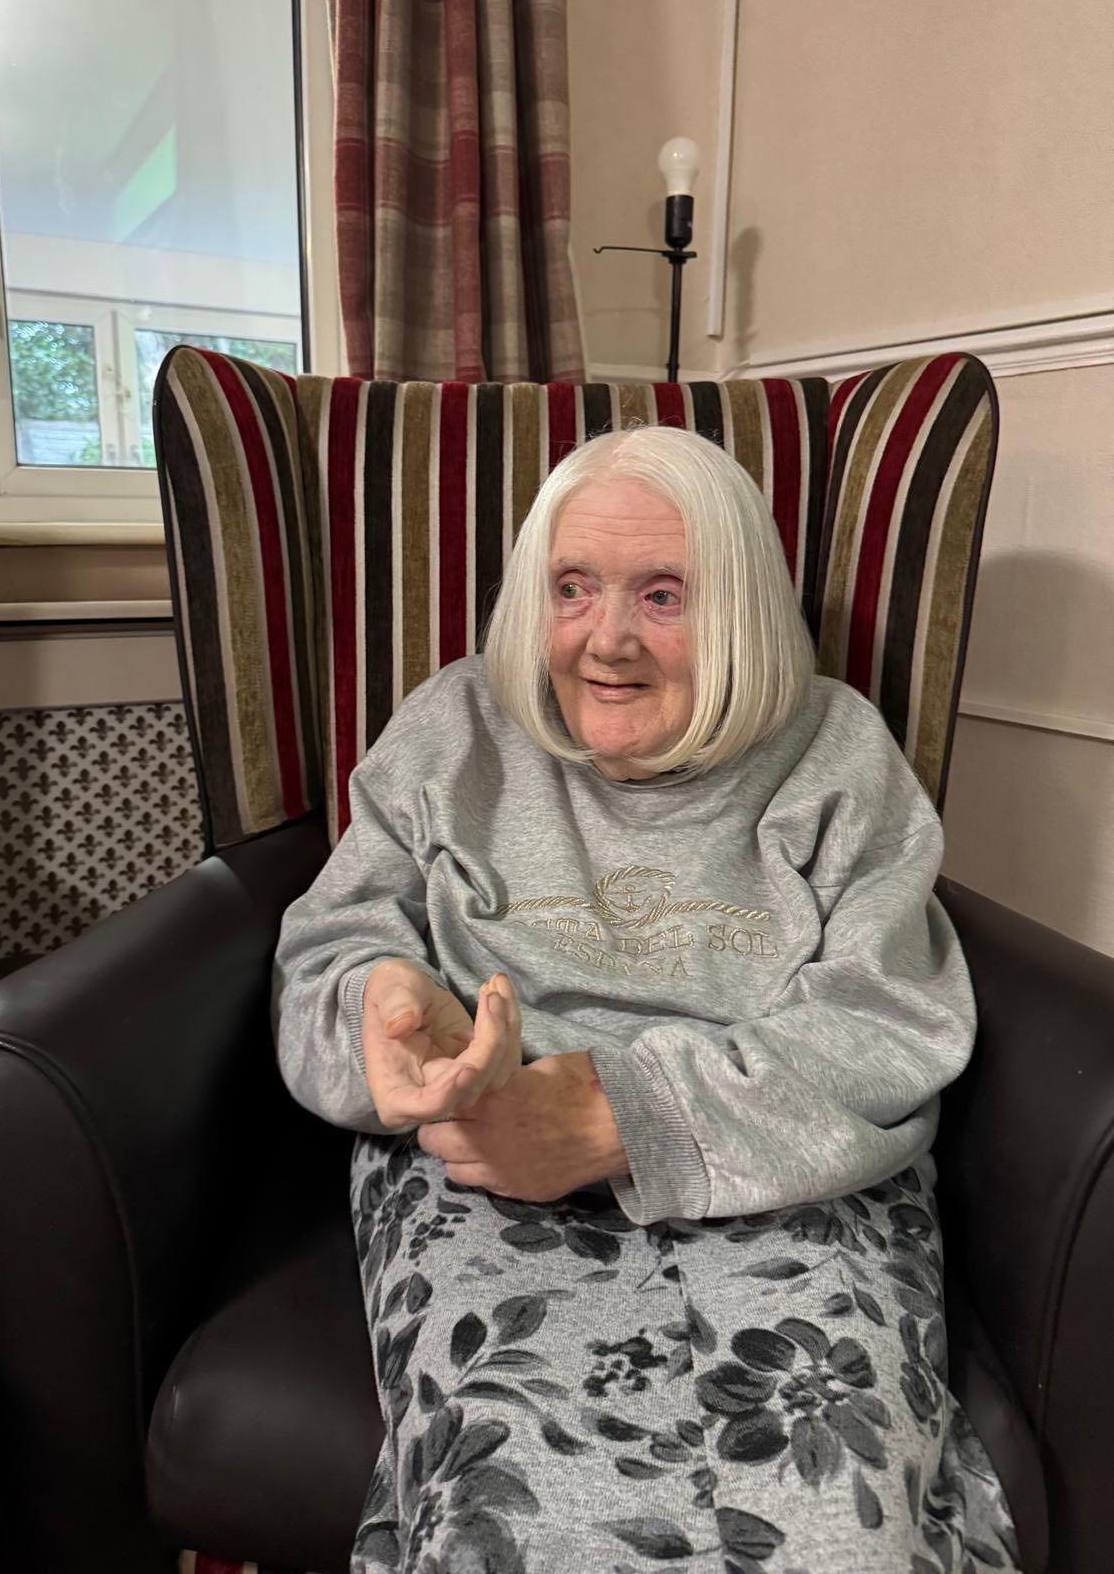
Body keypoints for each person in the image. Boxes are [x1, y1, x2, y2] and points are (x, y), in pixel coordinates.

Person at [273, 426, 1020, 1573]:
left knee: (842, 1511)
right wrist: (379, 1006)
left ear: (740, 610)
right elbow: (332, 946)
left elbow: (888, 1021)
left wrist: (627, 1113)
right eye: (571, 588)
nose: (605, 640)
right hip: (485, 1162)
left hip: (784, 1168)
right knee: (518, 1509)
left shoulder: (833, 750)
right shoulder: (453, 728)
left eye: (662, 594)